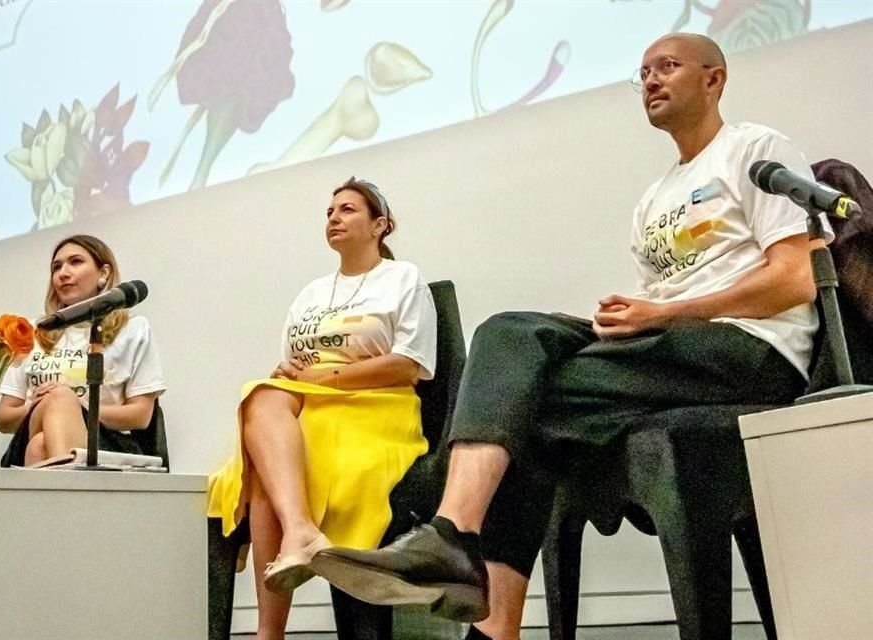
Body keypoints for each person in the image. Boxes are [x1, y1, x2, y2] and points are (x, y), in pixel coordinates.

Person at [310, 34, 831, 640]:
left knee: (523, 403)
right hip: (671, 346)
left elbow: (795, 281)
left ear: (714, 79)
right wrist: (630, 317)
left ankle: (452, 541)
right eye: (643, 73)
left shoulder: (756, 148)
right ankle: (473, 586)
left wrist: (660, 315)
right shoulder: (654, 198)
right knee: (511, 335)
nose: (652, 81)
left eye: (668, 67)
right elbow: (659, 304)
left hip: (749, 348)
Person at [207, 178, 437, 640]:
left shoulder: (403, 278)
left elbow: (412, 364)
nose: (333, 218)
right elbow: (292, 365)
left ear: (381, 225)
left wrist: (324, 379)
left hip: (375, 407)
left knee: (270, 473)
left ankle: (269, 631)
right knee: (261, 395)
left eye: (348, 210)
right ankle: (300, 533)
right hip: (308, 403)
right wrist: (293, 373)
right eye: (329, 211)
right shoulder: (311, 292)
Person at [0, 234, 166, 466]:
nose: (63, 273)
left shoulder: (134, 329)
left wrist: (75, 407)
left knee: (40, 445)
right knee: (55, 404)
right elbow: (4, 419)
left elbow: (140, 415)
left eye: (75, 262)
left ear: (104, 273)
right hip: (28, 431)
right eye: (56, 267)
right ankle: (75, 498)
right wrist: (41, 406)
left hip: (106, 443)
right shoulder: (32, 331)